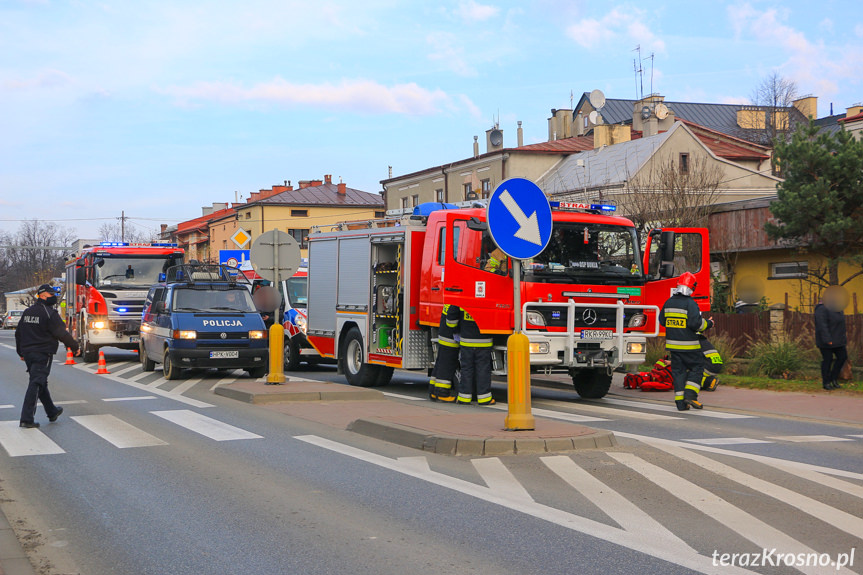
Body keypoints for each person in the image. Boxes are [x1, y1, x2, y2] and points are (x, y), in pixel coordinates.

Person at [16, 284, 81, 428]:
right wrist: (75, 346)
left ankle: (51, 411)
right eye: (52, 295)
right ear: (43, 295)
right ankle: (27, 418)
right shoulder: (49, 313)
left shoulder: (28, 312)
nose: (54, 297)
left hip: (28, 353)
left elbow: (18, 333)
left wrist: (21, 352)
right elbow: (61, 333)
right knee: (36, 383)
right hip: (42, 353)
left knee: (40, 381)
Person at [659, 272, 713, 411]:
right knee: (697, 367)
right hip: (690, 346)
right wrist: (709, 323)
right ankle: (690, 395)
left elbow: (662, 321)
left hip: (673, 347)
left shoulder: (668, 302)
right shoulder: (691, 304)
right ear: (692, 287)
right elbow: (696, 324)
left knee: (678, 372)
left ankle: (681, 403)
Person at [449, 306, 495, 405]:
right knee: (483, 370)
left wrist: (456, 329)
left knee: (466, 369)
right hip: (484, 341)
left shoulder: (462, 296)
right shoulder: (486, 296)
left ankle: (464, 398)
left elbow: (451, 320)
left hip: (467, 340)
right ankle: (484, 398)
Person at [814, 288, 848, 391]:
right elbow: (822, 325)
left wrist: (843, 339)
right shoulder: (821, 308)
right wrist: (827, 339)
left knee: (842, 357)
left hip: (839, 341)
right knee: (827, 361)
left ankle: (834, 378)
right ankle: (826, 382)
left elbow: (840, 325)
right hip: (826, 341)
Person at [429, 304, 459, 402]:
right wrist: (455, 329)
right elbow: (452, 317)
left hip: (445, 332)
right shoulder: (456, 299)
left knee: (440, 362)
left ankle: (433, 391)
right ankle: (442, 393)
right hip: (450, 335)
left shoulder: (451, 296)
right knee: (447, 364)